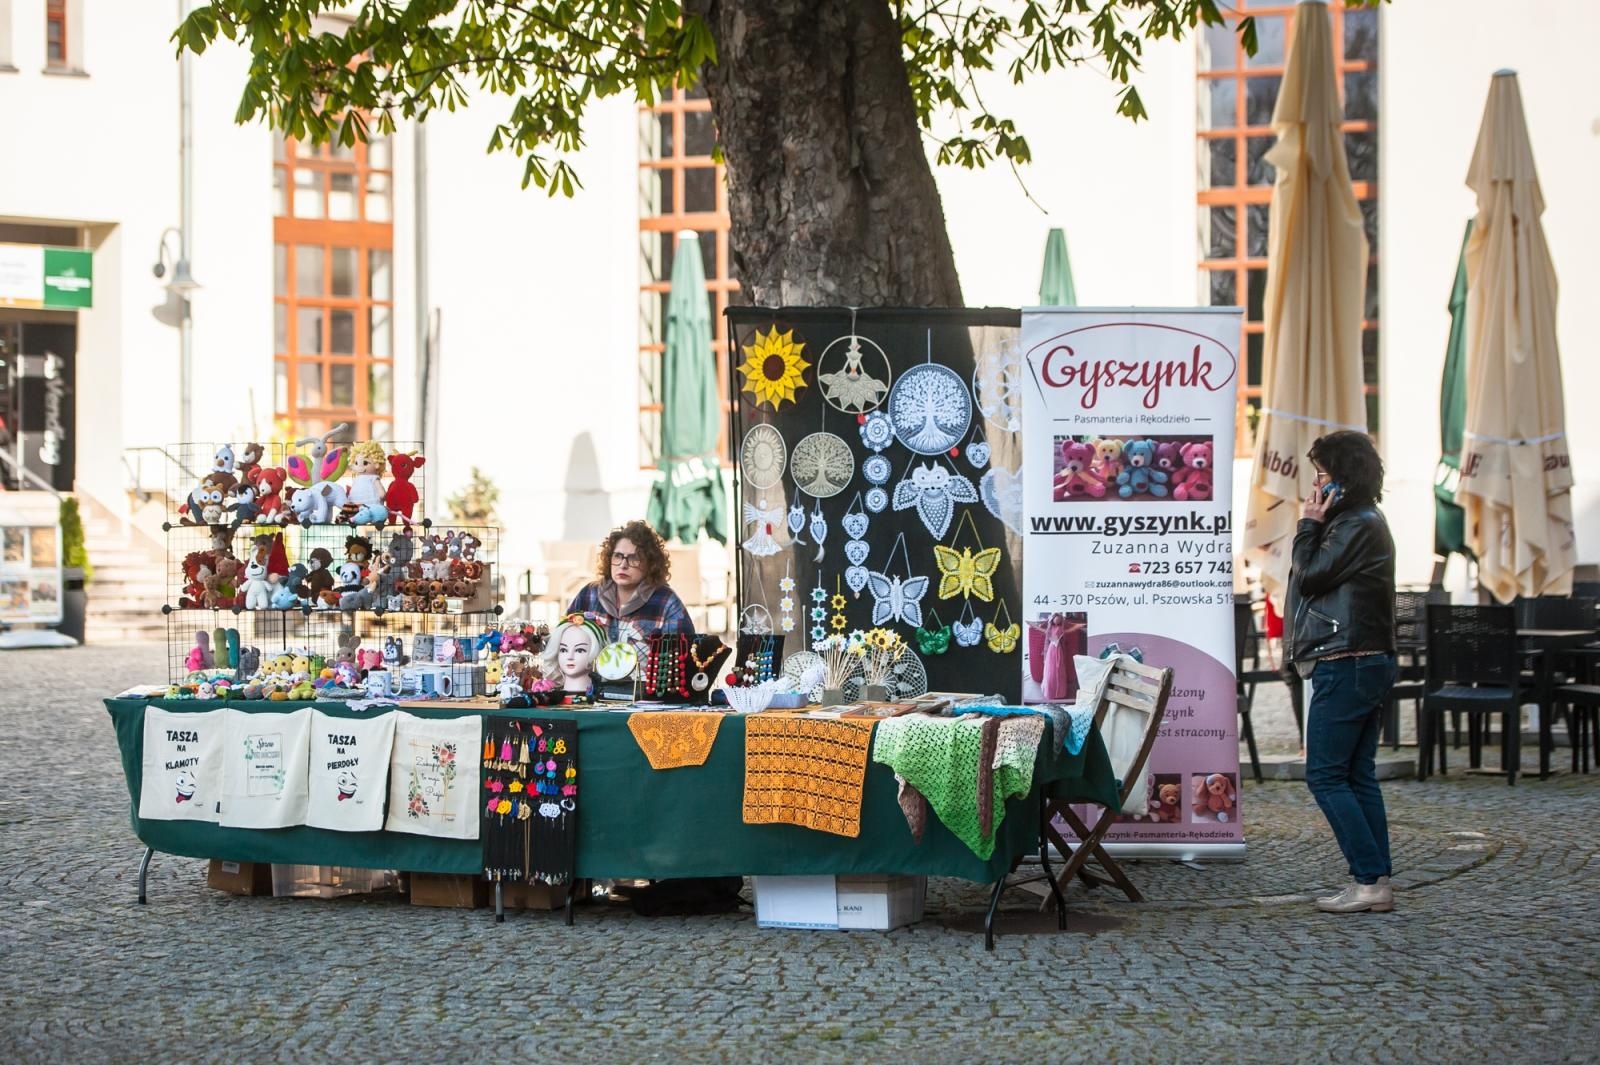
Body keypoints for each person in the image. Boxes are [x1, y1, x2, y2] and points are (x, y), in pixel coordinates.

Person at [1287, 431, 1398, 915]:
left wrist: (1307, 526)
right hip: (1359, 658)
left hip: (1347, 660)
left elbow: (1310, 575)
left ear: (1343, 480)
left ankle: (1369, 879)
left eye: (1323, 476)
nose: (1315, 485)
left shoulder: (1355, 525)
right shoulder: (1359, 521)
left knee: (1326, 775)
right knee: (1356, 774)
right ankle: (1376, 880)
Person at [567, 520, 694, 640]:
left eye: (634, 558)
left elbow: (684, 654)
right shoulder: (589, 594)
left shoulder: (666, 602)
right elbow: (563, 640)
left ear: (650, 563)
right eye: (618, 556)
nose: (623, 565)